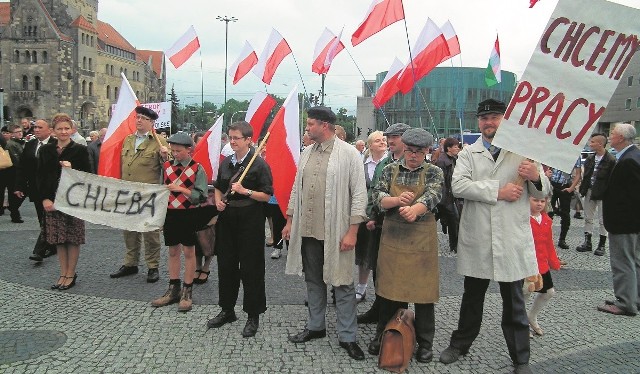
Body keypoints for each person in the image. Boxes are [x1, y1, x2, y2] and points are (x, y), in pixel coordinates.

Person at [439, 98, 549, 374]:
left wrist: (535, 176)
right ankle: (461, 343)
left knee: (514, 303)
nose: (489, 122)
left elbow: (541, 192)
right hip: (479, 237)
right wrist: (497, 192)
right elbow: (459, 186)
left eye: (495, 117)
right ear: (479, 122)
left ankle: (520, 357)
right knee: (472, 297)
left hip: (510, 239)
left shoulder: (522, 153)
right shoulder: (468, 153)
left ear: (505, 120)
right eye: (484, 118)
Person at [283, 106, 368, 361]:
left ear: (325, 126)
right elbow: (296, 190)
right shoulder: (307, 152)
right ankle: (316, 326)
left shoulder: (349, 154)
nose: (307, 128)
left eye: (310, 124)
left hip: (337, 231)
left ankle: (348, 336)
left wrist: (353, 231)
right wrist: (289, 221)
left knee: (342, 282)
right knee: (313, 280)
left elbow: (359, 195)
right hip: (308, 230)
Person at [368, 128, 444, 363]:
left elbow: (434, 194)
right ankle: (385, 334)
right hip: (393, 238)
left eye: (419, 152)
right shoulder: (390, 169)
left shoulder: (435, 171)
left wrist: (415, 209)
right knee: (390, 292)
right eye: (410, 150)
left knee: (423, 294)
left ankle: (424, 342)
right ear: (404, 149)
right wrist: (395, 201)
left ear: (427, 152)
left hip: (421, 240)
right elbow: (377, 194)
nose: (413, 155)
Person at [206, 121, 273, 338]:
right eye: (230, 137)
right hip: (228, 219)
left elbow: (266, 195)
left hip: (250, 219)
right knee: (226, 265)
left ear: (248, 140)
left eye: (236, 138)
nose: (232, 141)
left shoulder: (259, 165)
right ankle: (227, 309)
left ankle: (253, 315)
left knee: (251, 269)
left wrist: (245, 191)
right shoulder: (226, 162)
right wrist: (217, 202)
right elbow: (218, 187)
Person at [357, 122, 410, 325]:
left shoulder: (410, 164)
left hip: (399, 226)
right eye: (388, 137)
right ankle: (378, 308)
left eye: (394, 137)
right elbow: (373, 193)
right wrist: (371, 216)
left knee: (396, 274)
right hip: (379, 225)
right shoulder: (384, 163)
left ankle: (397, 318)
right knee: (378, 269)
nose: (390, 141)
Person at [110, 106, 169, 283]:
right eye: (137, 117)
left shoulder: (158, 142)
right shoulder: (128, 140)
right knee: (129, 230)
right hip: (128, 193)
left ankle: (152, 266)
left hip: (148, 195)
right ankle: (130, 263)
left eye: (144, 118)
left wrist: (166, 156)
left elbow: (169, 167)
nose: (139, 121)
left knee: (150, 232)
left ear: (152, 123)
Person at [151, 132, 207, 312]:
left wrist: (181, 189)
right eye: (173, 150)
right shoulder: (167, 166)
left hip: (188, 214)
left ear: (188, 149)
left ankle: (187, 290)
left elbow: (201, 196)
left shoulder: (197, 168)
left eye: (178, 151)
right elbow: (161, 192)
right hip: (171, 214)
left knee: (189, 252)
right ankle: (173, 288)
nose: (175, 154)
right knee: (173, 251)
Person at [37, 113, 91, 290]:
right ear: (53, 131)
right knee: (59, 239)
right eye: (60, 129)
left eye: (66, 128)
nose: (63, 132)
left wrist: (72, 169)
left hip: (72, 200)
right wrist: (45, 198)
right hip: (52, 200)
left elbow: (87, 176)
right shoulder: (46, 150)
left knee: (72, 238)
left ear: (72, 129)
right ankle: (62, 272)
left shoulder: (80, 150)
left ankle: (71, 273)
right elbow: (41, 176)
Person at [599, 123, 640, 316]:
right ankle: (633, 297)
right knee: (634, 261)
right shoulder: (632, 156)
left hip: (625, 222)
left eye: (613, 133)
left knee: (623, 262)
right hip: (631, 222)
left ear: (621, 138)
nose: (610, 136)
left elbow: (632, 196)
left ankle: (625, 303)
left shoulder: (628, 160)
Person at [15, 119, 58, 261]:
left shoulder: (56, 145)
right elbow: (22, 167)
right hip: (35, 188)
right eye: (35, 127)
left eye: (40, 127)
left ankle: (39, 250)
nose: (36, 130)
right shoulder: (30, 144)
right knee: (42, 218)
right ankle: (52, 246)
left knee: (48, 219)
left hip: (52, 189)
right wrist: (20, 186)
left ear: (49, 130)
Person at [354, 130, 387, 302]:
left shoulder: (390, 163)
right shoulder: (363, 164)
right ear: (369, 145)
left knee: (382, 255)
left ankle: (383, 292)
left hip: (383, 213)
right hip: (365, 214)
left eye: (384, 140)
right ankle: (361, 287)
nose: (382, 142)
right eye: (377, 140)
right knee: (364, 251)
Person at [526, 196, 562, 336]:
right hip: (527, 264)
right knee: (525, 294)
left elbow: (549, 243)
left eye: (542, 201)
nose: (539, 204)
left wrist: (554, 261)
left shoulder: (546, 219)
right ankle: (521, 322)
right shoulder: (524, 219)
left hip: (541, 265)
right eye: (535, 200)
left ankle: (532, 316)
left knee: (548, 292)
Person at [576, 133, 615, 256]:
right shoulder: (590, 158)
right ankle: (588, 242)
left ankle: (602, 245)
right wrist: (582, 189)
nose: (590, 144)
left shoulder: (611, 160)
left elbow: (613, 179)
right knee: (588, 217)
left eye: (592, 142)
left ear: (600, 144)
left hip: (604, 194)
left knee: (603, 220)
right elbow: (586, 176)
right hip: (589, 191)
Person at [434, 137, 463, 252]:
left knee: (454, 220)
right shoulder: (442, 161)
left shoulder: (454, 159)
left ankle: (454, 245)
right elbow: (441, 182)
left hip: (451, 196)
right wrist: (444, 200)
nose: (457, 148)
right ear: (449, 148)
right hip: (445, 198)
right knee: (453, 219)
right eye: (455, 146)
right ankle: (454, 245)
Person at [547, 159, 582, 249]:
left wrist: (571, 188)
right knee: (548, 212)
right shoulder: (557, 150)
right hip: (552, 184)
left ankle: (562, 239)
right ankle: (547, 238)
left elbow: (578, 174)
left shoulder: (575, 154)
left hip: (565, 186)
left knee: (565, 214)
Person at [5, 124, 26, 223]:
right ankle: (14, 211)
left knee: (16, 193)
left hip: (16, 171)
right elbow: (17, 160)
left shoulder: (18, 143)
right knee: (17, 193)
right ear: (12, 134)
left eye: (20, 131)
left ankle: (14, 212)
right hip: (14, 172)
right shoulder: (12, 144)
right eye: (17, 132)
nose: (20, 133)